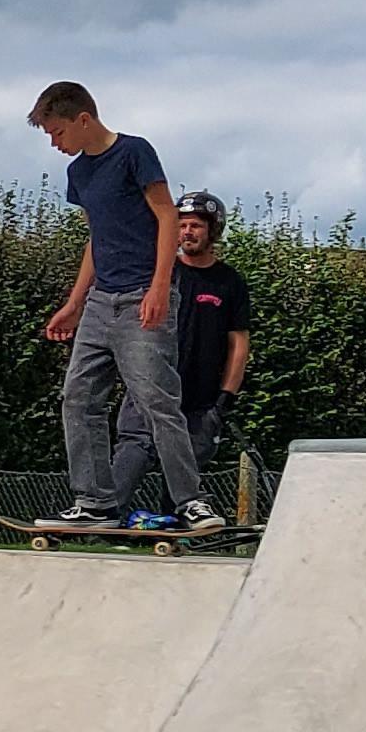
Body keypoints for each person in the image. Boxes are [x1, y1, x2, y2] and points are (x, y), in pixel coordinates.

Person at [29, 82, 226, 533]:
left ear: (83, 119)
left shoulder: (134, 152)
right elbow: (97, 238)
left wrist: (160, 286)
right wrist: (75, 303)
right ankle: (95, 501)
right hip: (100, 302)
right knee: (78, 399)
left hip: (142, 295)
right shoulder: (78, 175)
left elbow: (166, 216)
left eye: (58, 133)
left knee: (156, 401)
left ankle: (192, 502)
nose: (55, 144)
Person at [108, 192, 254, 518]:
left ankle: (174, 531)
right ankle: (102, 521)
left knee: (184, 482)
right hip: (149, 390)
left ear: (212, 231)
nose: (187, 232)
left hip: (200, 401)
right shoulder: (161, 273)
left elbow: (239, 346)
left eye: (195, 226)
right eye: (181, 225)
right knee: (133, 451)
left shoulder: (230, 282)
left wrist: (224, 399)